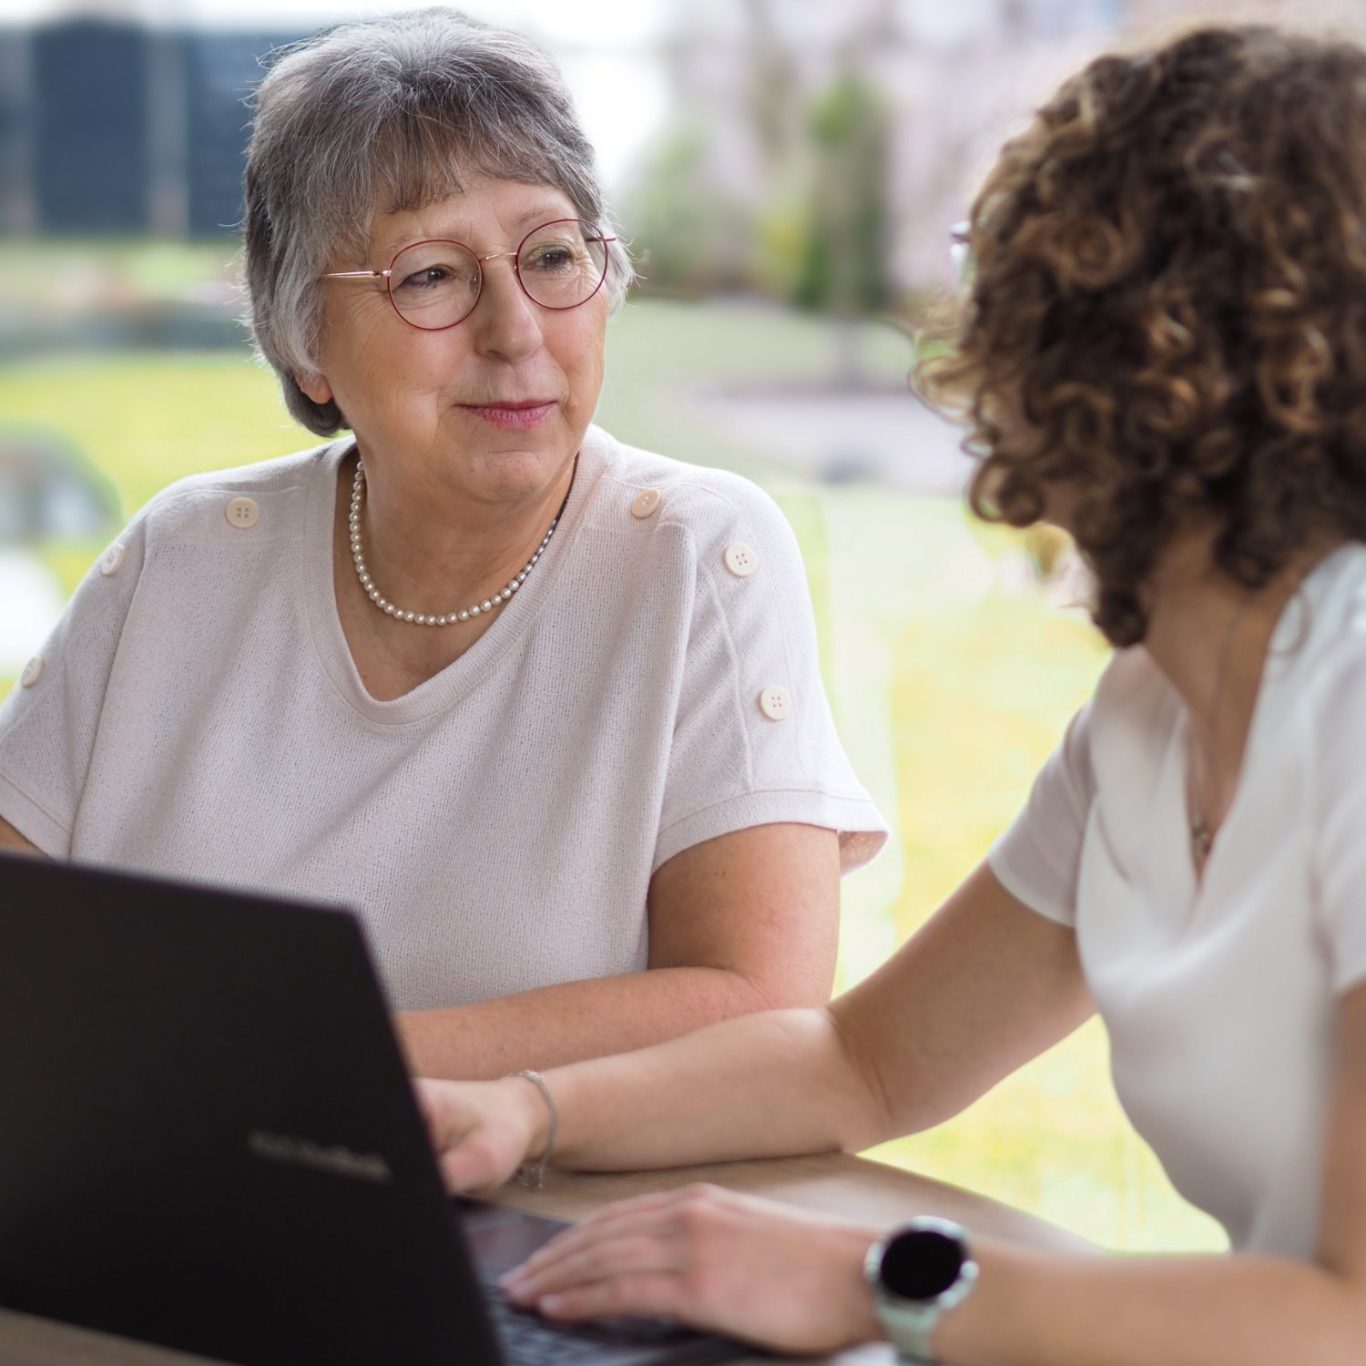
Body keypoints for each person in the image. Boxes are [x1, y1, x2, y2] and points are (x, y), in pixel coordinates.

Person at [415, 25, 1366, 1362]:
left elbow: (1347, 1314)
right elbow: (863, 1061)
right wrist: (526, 1109)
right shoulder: (1154, 714)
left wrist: (877, 1281)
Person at [0, 9, 886, 1080]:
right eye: (429, 276)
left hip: (542, 1223)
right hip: (153, 1201)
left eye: (552, 256)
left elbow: (758, 1005)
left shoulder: (695, 556)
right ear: (304, 340)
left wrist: (309, 1066)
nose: (516, 330)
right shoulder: (184, 556)